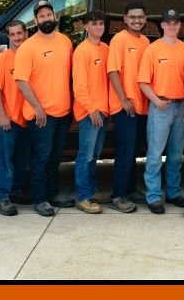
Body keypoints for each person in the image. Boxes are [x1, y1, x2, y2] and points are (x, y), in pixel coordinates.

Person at [14, 0, 74, 217]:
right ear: (36, 20)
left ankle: (53, 193)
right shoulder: (28, 47)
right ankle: (40, 199)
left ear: (54, 16)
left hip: (63, 112)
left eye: (49, 14)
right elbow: (21, 81)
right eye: (42, 16)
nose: (46, 18)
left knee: (56, 157)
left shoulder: (66, 42)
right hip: (41, 115)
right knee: (41, 157)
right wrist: (38, 108)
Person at [138, 9, 184, 214]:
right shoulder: (152, 50)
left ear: (179, 26)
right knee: (154, 155)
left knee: (176, 155)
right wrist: (156, 101)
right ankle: (153, 196)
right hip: (160, 107)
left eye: (175, 23)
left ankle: (173, 192)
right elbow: (143, 81)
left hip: (181, 107)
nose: (172, 26)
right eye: (168, 23)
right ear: (161, 25)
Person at [107, 2, 151, 213]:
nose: (136, 20)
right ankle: (119, 195)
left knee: (134, 151)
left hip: (142, 106)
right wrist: (123, 99)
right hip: (124, 106)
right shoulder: (119, 40)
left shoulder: (144, 41)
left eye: (140, 17)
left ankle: (131, 189)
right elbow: (113, 71)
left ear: (145, 19)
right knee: (124, 152)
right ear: (124, 19)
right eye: (132, 17)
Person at [0, 20, 30, 216]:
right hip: (9, 120)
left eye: (19, 33)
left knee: (22, 160)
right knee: (5, 161)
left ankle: (16, 191)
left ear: (26, 33)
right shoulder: (3, 59)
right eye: (12, 35)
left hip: (28, 119)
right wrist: (2, 115)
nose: (16, 38)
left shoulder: (32, 54)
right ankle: (1, 197)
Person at [72, 11, 110, 215]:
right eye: (94, 24)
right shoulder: (82, 51)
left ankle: (92, 189)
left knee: (95, 155)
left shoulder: (105, 48)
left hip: (103, 111)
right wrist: (91, 109)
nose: (98, 27)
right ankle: (84, 196)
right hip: (90, 113)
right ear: (86, 26)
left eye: (101, 24)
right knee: (85, 156)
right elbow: (79, 86)